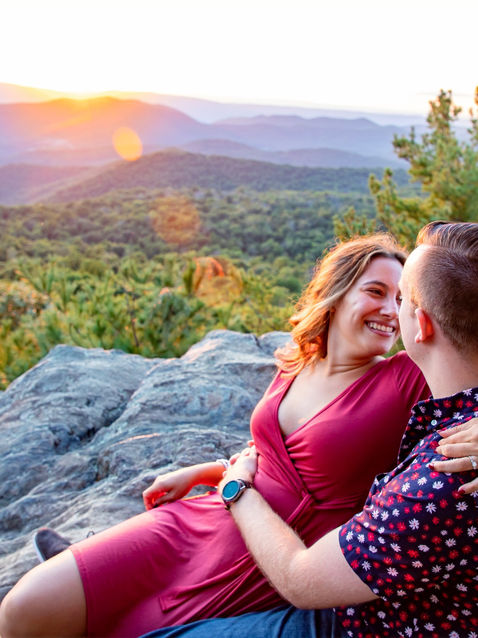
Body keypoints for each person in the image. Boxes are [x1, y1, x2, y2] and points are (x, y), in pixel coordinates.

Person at [1, 231, 477, 638]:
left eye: (402, 299)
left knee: (113, 625)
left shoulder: (407, 375)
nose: (392, 311)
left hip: (270, 554)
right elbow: (278, 455)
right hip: (211, 515)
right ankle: (93, 576)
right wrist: (207, 470)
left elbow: (466, 330)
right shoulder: (297, 361)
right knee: (23, 609)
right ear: (336, 293)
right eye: (376, 291)